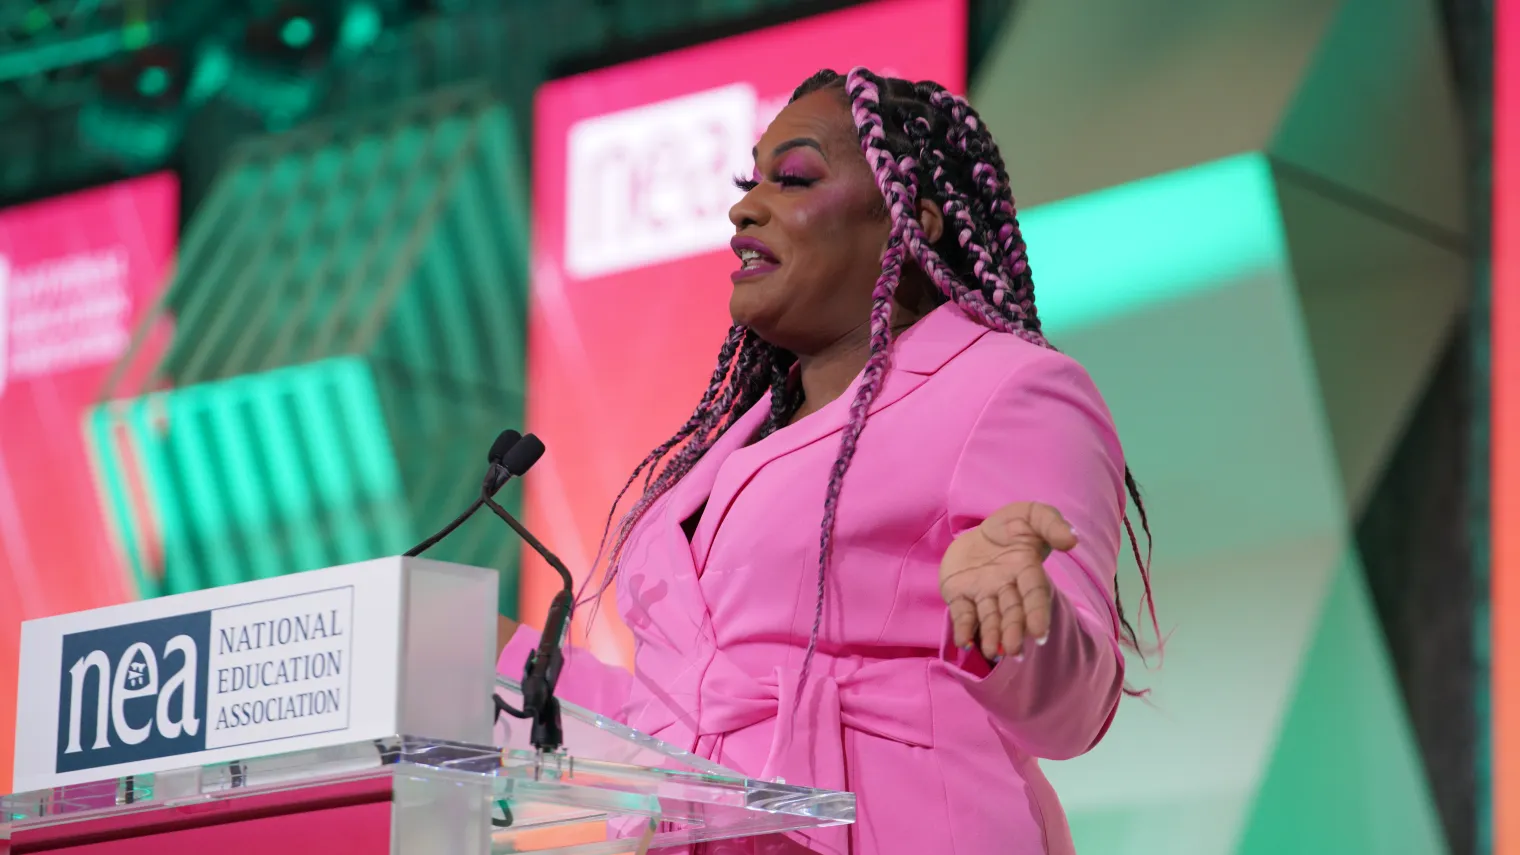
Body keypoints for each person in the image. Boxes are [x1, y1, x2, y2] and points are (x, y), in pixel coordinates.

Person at [496, 67, 1156, 855]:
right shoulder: (733, 448)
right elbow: (680, 719)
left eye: (796, 178)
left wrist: (1008, 619)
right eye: (750, 182)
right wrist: (494, 658)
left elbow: (1077, 708)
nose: (745, 206)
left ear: (914, 220)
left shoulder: (1005, 385)